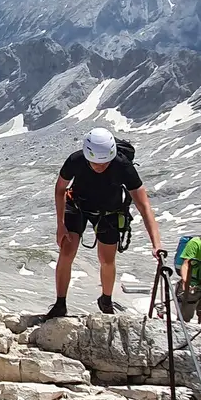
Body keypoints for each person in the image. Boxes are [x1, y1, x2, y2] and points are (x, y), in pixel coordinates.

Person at [49, 128, 164, 318]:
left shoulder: (122, 165)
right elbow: (60, 188)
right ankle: (60, 304)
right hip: (78, 205)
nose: (101, 166)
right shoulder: (76, 160)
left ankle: (106, 300)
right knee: (67, 251)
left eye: (105, 162)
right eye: (96, 163)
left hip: (109, 211)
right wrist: (60, 225)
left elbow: (144, 205)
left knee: (107, 259)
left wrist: (156, 244)